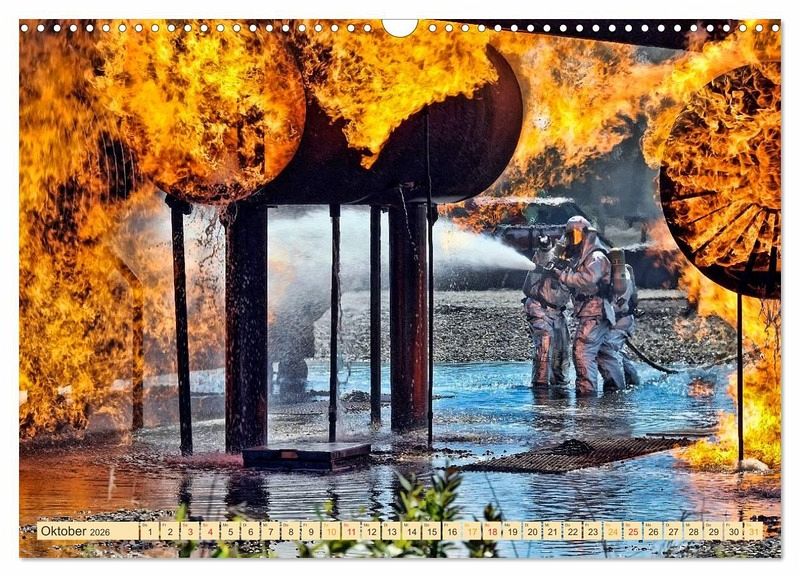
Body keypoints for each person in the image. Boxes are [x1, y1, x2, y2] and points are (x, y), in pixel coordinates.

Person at [556, 216, 624, 394]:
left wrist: (562, 276)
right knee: (604, 353)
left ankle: (586, 397)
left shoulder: (596, 257)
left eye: (576, 236)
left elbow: (588, 280)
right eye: (570, 236)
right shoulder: (583, 257)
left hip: (594, 312)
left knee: (582, 352)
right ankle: (617, 393)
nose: (573, 241)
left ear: (586, 236)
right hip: (596, 312)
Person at [522, 236, 571, 388]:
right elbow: (543, 256)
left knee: (561, 350)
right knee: (544, 346)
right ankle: (540, 387)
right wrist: (545, 245)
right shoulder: (548, 256)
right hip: (539, 308)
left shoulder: (577, 263)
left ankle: (559, 386)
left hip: (558, 312)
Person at [599, 264, 640, 388]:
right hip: (619, 320)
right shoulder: (619, 272)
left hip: (620, 321)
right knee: (617, 351)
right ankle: (632, 380)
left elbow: (616, 305)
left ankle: (616, 387)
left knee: (606, 349)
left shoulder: (620, 277)